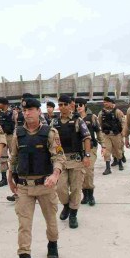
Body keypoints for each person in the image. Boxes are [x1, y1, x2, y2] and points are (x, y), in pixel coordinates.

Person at [8, 98, 65, 258]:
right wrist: (10, 179)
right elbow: (14, 158)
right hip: (24, 187)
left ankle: (52, 244)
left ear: (39, 112)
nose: (27, 113)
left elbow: (58, 156)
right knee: (24, 224)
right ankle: (24, 255)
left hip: (45, 185)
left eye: (31, 110)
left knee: (51, 219)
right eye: (25, 110)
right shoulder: (18, 134)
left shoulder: (50, 132)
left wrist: (55, 175)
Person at [52, 95, 91, 229]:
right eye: (60, 104)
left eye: (65, 104)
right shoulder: (54, 122)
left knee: (75, 189)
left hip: (76, 160)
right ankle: (66, 206)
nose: (62, 107)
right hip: (60, 161)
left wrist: (86, 155)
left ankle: (73, 214)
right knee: (60, 188)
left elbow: (87, 138)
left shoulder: (78, 121)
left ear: (70, 105)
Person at [76, 98, 105, 206]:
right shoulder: (75, 119)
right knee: (81, 172)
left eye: (80, 105)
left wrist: (103, 145)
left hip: (91, 148)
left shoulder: (92, 117)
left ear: (85, 106)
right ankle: (85, 194)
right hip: (79, 149)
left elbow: (98, 131)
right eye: (77, 105)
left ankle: (90, 194)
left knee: (88, 171)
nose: (78, 107)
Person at [98, 97, 125, 175]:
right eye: (104, 102)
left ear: (110, 103)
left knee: (118, 150)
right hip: (106, 135)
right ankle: (108, 168)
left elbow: (123, 122)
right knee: (106, 151)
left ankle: (120, 162)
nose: (105, 103)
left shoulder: (117, 112)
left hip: (116, 134)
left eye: (106, 102)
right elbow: (99, 123)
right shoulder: (101, 113)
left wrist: (123, 132)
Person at [0, 97, 15, 187]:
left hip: (11, 136)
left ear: (4, 104)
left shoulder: (13, 112)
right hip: (2, 136)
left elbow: (17, 124)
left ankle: (15, 176)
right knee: (2, 157)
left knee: (14, 155)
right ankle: (4, 178)